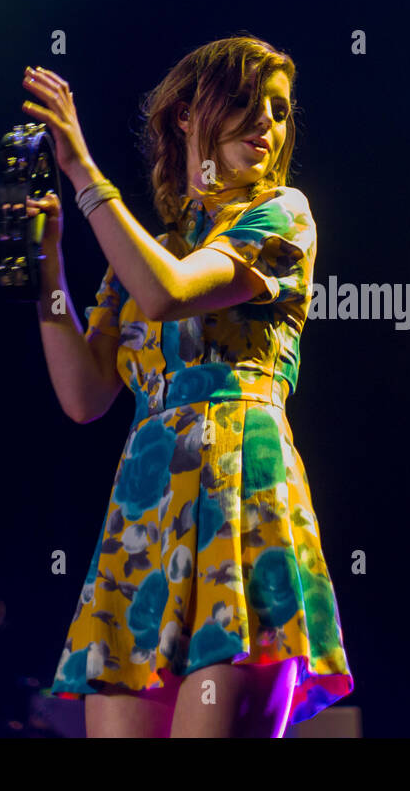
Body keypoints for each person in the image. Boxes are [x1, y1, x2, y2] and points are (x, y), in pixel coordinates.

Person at [21, 36, 353, 737]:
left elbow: (169, 294)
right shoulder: (146, 250)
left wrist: (82, 174)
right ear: (184, 115)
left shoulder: (283, 214)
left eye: (280, 110)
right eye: (245, 102)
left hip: (240, 496)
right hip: (145, 512)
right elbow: (84, 398)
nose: (268, 122)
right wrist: (47, 272)